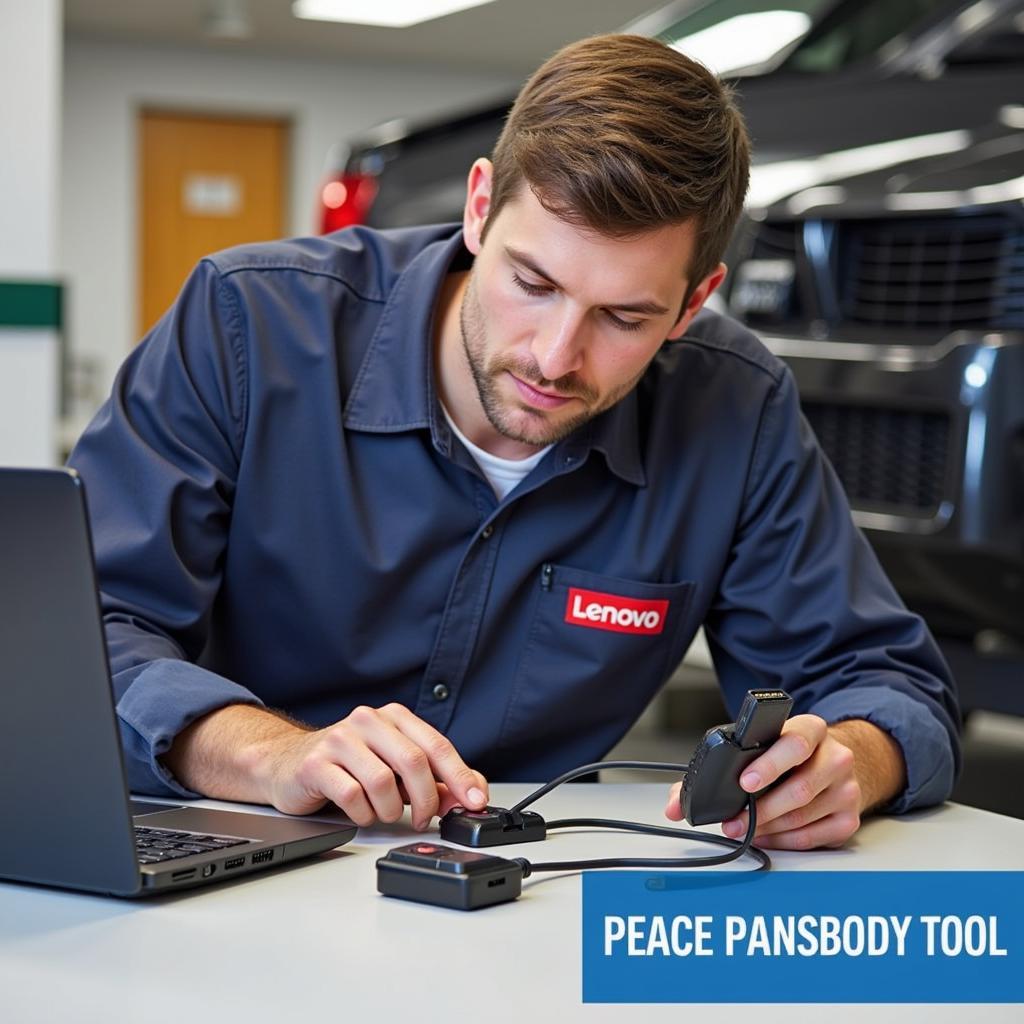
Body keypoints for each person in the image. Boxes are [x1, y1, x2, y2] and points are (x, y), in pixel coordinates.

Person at [69, 34, 959, 851]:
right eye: (532, 282)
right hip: (230, 861)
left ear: (694, 301)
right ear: (480, 207)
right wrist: (266, 754)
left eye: (624, 316)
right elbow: (80, 633)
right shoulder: (248, 325)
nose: (554, 356)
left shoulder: (736, 406)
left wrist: (849, 761)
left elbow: (885, 682)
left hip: (532, 909)